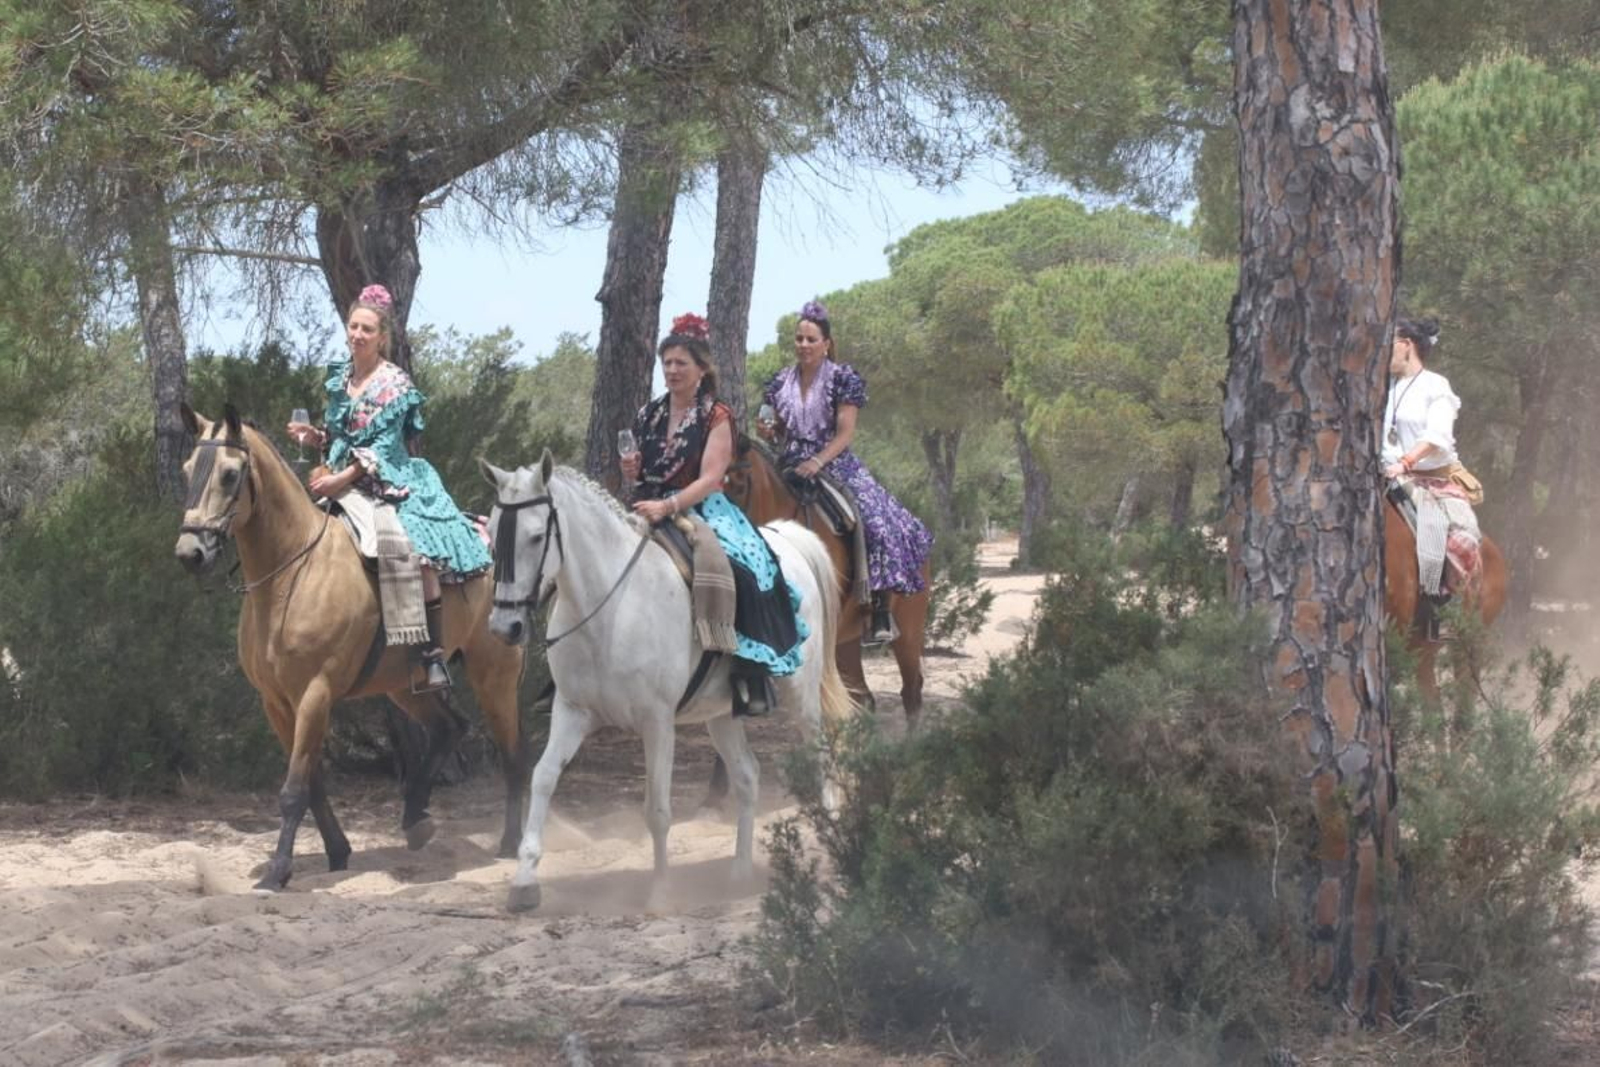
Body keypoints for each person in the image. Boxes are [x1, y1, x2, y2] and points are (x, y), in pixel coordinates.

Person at [286, 283, 491, 689]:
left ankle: (431, 654)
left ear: (382, 337)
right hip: (343, 478)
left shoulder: (394, 383)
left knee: (413, 548)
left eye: (367, 329)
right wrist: (317, 438)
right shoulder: (340, 378)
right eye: (353, 327)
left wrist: (340, 479)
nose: (358, 335)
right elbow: (344, 434)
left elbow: (382, 446)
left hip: (391, 478)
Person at [620, 312, 808, 716]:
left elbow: (710, 479)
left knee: (742, 567)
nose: (671, 370)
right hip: (647, 502)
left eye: (680, 363)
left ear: (701, 369)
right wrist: (632, 471)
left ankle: (749, 670)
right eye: (666, 363)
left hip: (700, 506)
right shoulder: (647, 414)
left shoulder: (716, 415)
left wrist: (669, 505)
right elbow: (641, 465)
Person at [759, 299, 933, 644]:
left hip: (834, 462)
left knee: (878, 520)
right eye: (799, 339)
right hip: (790, 461)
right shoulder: (779, 382)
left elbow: (845, 433)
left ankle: (880, 607)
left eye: (811, 340)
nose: (804, 346)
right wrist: (770, 432)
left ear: (826, 344)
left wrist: (818, 462)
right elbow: (775, 426)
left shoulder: (842, 379)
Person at [1381, 315, 1483, 639]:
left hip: (1429, 480)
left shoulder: (1436, 386)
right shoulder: (1386, 389)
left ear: (1407, 346)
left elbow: (1437, 436)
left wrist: (1406, 462)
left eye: (1389, 343)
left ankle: (1446, 609)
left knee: (1454, 537)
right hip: (1383, 477)